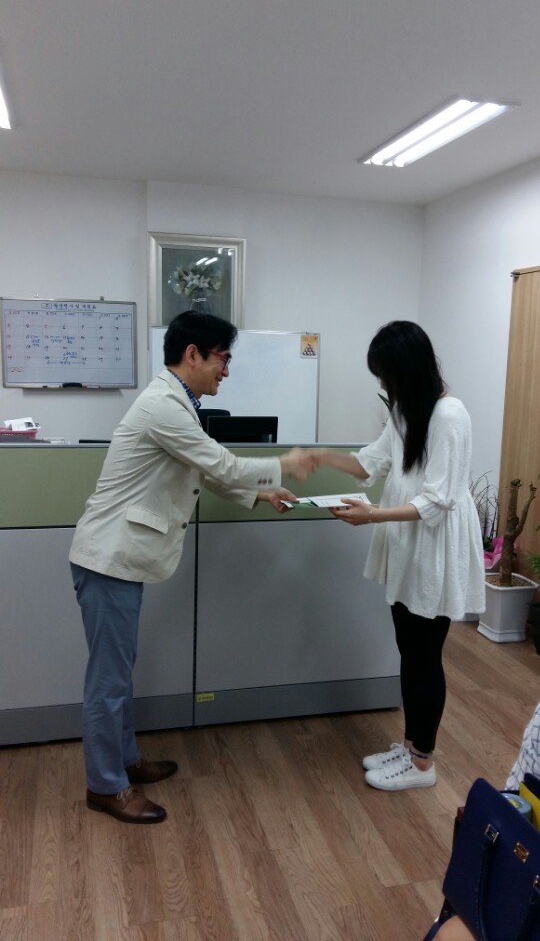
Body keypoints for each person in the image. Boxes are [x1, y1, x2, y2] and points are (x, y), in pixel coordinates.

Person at [69, 311, 313, 824]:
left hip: (120, 559)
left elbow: (206, 470)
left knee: (118, 673)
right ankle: (105, 786)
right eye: (224, 357)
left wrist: (262, 493)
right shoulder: (163, 406)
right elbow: (221, 463)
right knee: (108, 680)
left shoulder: (178, 404)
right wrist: (283, 464)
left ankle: (125, 761)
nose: (227, 369)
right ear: (193, 354)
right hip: (109, 558)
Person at [307, 320, 485, 791]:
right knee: (409, 649)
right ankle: (410, 746)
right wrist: (321, 456)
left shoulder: (450, 415)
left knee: (425, 654)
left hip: (434, 544)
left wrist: (373, 516)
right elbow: (370, 462)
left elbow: (439, 501)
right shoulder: (406, 410)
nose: (383, 385)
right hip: (408, 541)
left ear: (407, 369)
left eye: (385, 375)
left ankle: (422, 763)